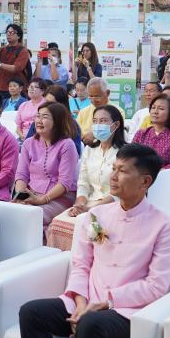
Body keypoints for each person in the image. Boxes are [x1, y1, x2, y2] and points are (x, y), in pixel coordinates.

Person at [19, 144, 170, 338]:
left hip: (125, 311)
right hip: (85, 300)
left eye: (122, 171)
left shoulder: (164, 225)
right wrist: (80, 303)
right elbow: (80, 265)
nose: (113, 176)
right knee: (31, 313)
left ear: (145, 182)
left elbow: (156, 286)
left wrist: (106, 301)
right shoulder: (96, 216)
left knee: (91, 324)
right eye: (113, 169)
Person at [47, 104, 127, 249]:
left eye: (103, 121)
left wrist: (90, 208)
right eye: (95, 121)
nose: (98, 125)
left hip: (115, 205)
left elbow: (121, 191)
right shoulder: (90, 150)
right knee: (57, 224)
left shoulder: (125, 153)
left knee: (93, 232)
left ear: (115, 125)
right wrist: (80, 204)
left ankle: (91, 260)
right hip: (89, 202)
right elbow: (83, 183)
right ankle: (64, 262)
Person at [14, 102, 80, 236]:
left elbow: (64, 183)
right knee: (11, 213)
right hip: (32, 193)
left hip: (59, 197)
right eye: (38, 116)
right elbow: (21, 175)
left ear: (57, 121)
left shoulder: (67, 145)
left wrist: (42, 200)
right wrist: (21, 195)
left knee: (30, 217)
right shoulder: (28, 143)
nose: (39, 120)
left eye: (44, 117)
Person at [133, 93, 170, 169]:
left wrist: (158, 172)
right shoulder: (141, 134)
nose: (155, 111)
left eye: (161, 109)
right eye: (153, 108)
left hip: (166, 174)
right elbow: (131, 156)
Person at [0, 23, 32, 99]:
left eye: (12, 32)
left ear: (19, 36)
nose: (8, 34)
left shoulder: (23, 51)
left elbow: (16, 68)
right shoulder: (2, 49)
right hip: (1, 87)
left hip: (16, 89)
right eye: (7, 32)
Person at [75, 78, 111, 144]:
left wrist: (95, 135)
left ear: (107, 93)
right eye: (91, 96)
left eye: (97, 96)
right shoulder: (83, 112)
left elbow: (115, 132)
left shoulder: (117, 111)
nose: (93, 100)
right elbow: (75, 132)